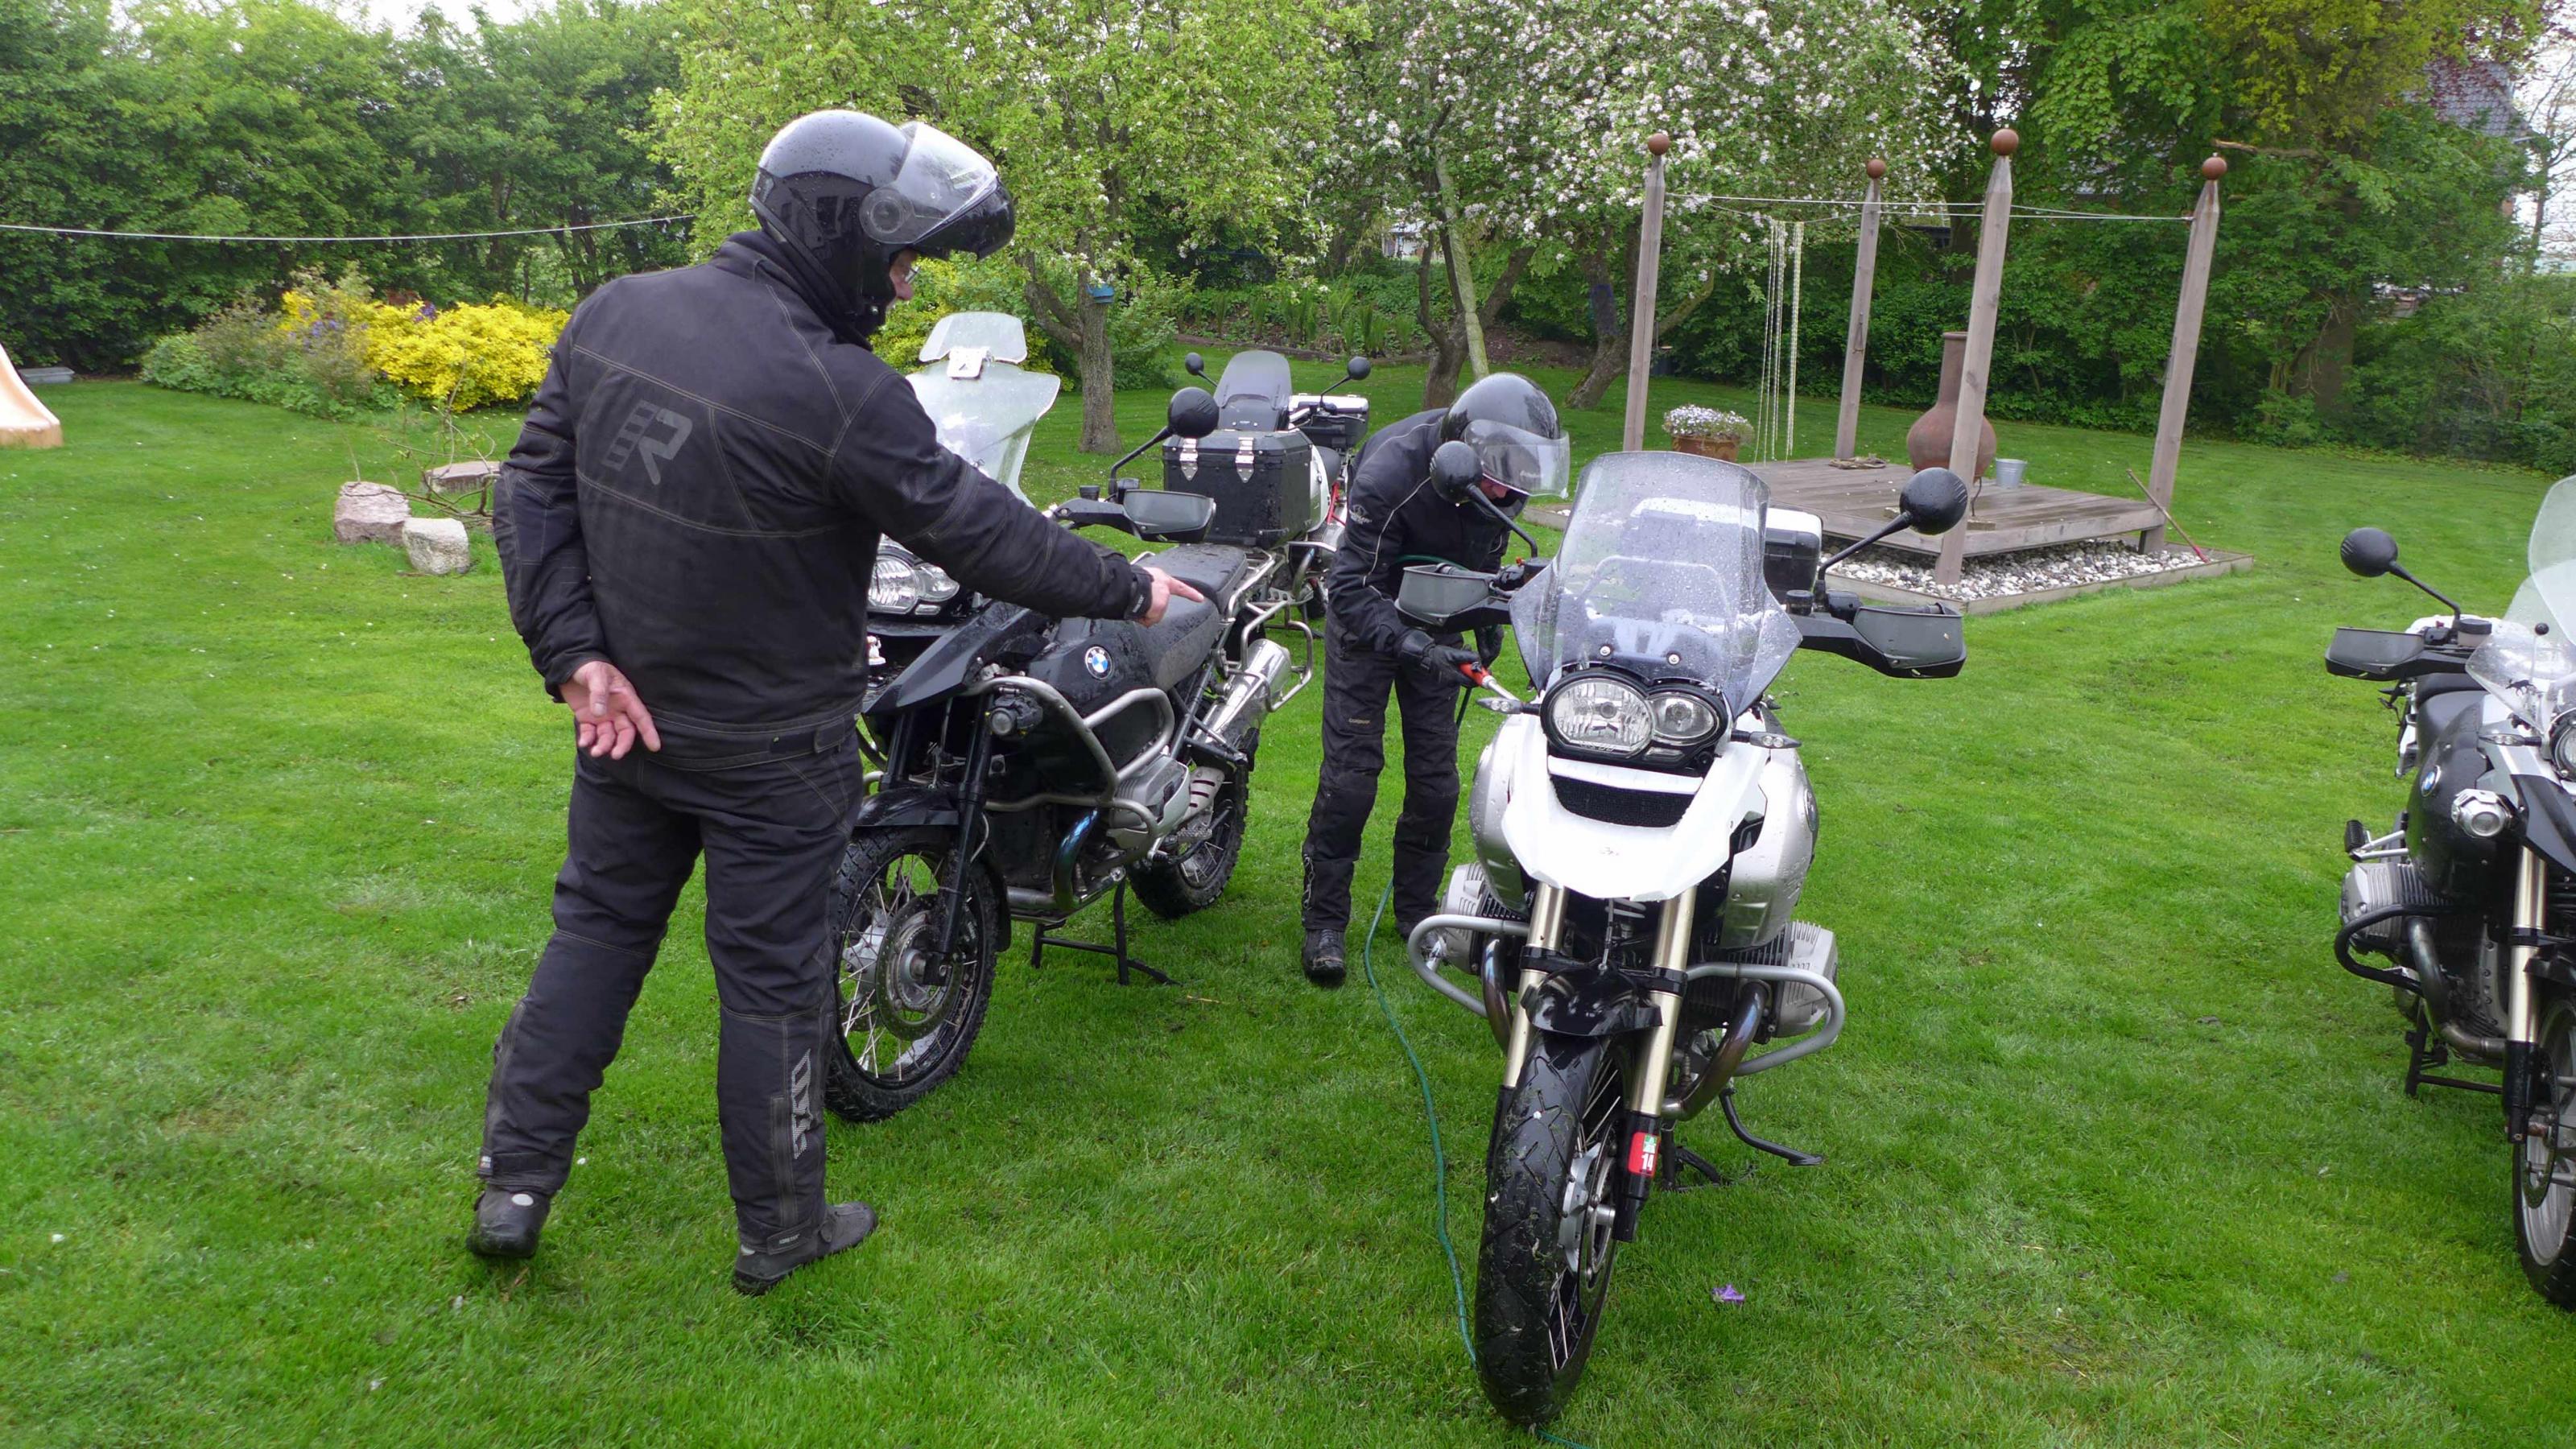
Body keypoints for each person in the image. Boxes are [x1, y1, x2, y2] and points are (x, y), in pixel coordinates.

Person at [469, 109, 1203, 1294]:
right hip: (773, 751)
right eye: (903, 255)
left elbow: (529, 493)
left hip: (624, 725)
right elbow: (978, 530)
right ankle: (782, 1231)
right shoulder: (841, 387)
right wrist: (1131, 587)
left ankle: (513, 1185)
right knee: (772, 986)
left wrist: (574, 655)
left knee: (593, 940)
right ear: (842, 231)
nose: (908, 280)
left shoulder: (617, 310)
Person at [1298, 374, 1568, 986]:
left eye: (1517, 480)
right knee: (1351, 780)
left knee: (1437, 783)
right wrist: (1414, 647)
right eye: (1498, 478)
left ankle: (1417, 913)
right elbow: (1349, 589)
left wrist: (1485, 615)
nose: (1508, 491)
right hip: (1369, 617)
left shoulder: (1507, 483)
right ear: (1462, 457)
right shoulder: (1390, 477)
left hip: (1439, 617)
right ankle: (1325, 923)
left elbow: (1484, 553)